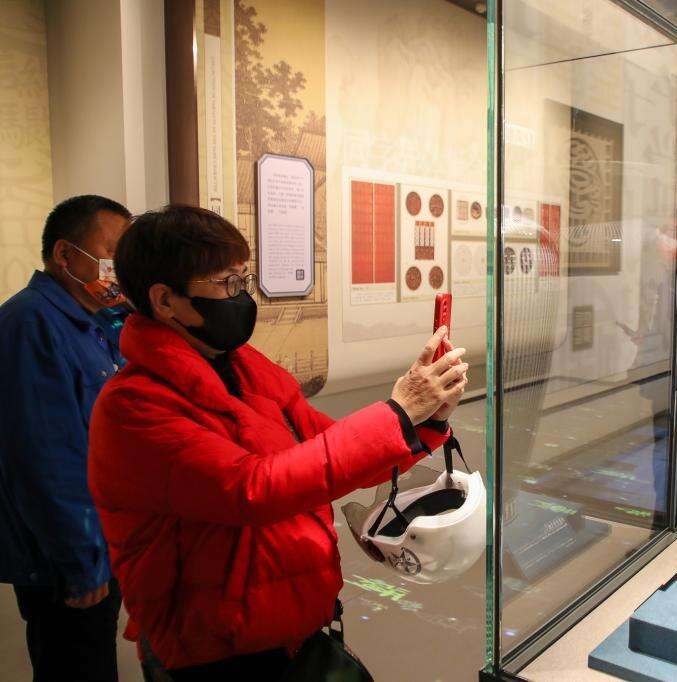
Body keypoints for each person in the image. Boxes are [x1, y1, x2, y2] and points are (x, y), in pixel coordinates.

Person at [87, 205, 469, 681]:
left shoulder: (245, 368)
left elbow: (334, 452)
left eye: (244, 279)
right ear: (165, 301)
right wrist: (397, 413)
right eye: (228, 284)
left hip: (290, 630)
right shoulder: (132, 407)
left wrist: (423, 422)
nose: (242, 297)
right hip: (216, 653)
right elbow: (253, 489)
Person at [0, 194, 133, 682]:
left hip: (102, 540)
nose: (119, 268)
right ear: (64, 254)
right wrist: (80, 560)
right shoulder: (30, 323)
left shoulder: (95, 322)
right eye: (112, 252)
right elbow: (44, 458)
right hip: (67, 554)